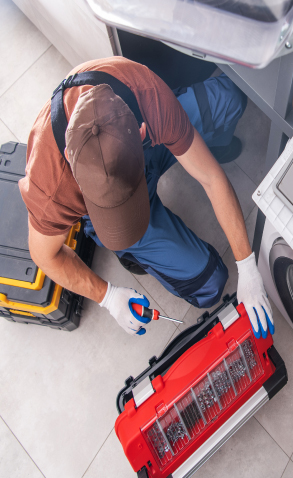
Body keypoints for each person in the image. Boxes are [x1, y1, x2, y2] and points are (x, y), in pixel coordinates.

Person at [19, 56, 273, 338]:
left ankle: (200, 146)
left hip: (148, 141)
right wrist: (108, 296)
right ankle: (130, 249)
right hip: (121, 161)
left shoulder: (146, 96)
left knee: (230, 98)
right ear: (69, 156)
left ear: (141, 133)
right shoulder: (50, 187)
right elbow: (45, 256)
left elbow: (211, 178)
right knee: (210, 284)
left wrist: (247, 266)